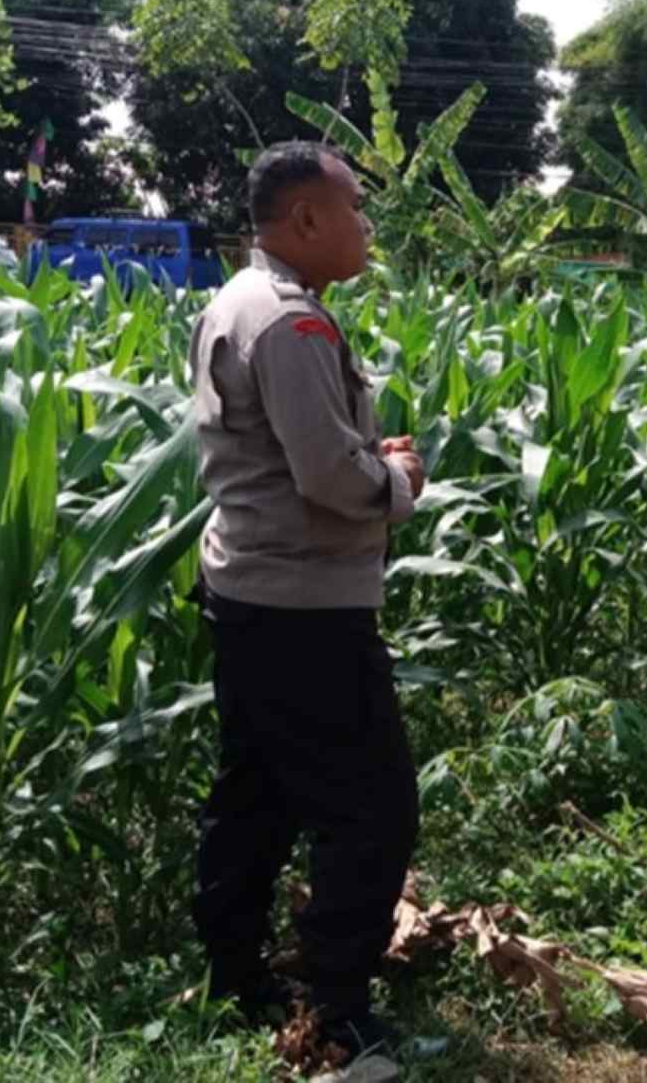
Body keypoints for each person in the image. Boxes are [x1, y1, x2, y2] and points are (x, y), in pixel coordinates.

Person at [187, 141, 426, 1056]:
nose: (365, 224)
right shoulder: (291, 323)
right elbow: (328, 478)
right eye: (354, 206)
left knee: (256, 792)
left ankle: (235, 977)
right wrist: (397, 478)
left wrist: (364, 456)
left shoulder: (241, 300)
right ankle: (336, 1011)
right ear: (306, 219)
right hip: (305, 605)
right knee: (372, 808)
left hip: (251, 590)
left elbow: (292, 447)